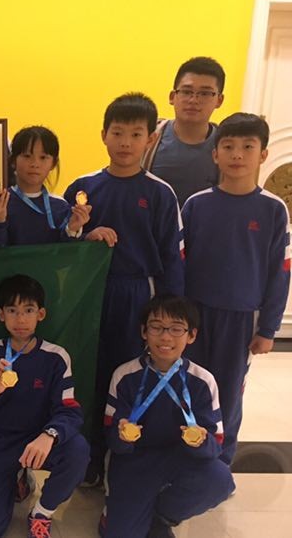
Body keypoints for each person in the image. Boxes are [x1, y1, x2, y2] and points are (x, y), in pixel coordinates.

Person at [63, 93, 184, 485]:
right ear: (103, 135)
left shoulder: (161, 193)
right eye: (118, 132)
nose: (126, 142)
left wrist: (168, 318)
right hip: (90, 295)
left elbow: (172, 257)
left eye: (135, 134)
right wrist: (82, 234)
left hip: (138, 297)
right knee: (88, 375)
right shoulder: (83, 187)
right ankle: (88, 458)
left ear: (151, 139)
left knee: (131, 378)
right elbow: (59, 246)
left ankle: (126, 460)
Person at [181, 113, 290, 465]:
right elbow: (180, 263)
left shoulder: (273, 209)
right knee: (189, 385)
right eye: (228, 146)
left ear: (263, 154)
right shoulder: (196, 204)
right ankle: (185, 455)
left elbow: (280, 272)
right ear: (215, 154)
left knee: (227, 394)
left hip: (241, 318)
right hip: (195, 316)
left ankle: (219, 462)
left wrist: (268, 329)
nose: (237, 154)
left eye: (247, 146)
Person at [0, 274, 88, 538]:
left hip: (38, 438)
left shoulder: (56, 357)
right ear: (1, 315)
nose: (20, 319)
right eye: (12, 310)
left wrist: (49, 435)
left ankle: (41, 512)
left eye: (28, 310)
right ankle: (16, 477)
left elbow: (70, 411)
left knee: (77, 450)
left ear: (41, 314)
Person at [101, 294, 234, 538]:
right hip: (134, 462)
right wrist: (122, 437)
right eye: (156, 327)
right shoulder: (124, 375)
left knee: (219, 479)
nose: (165, 337)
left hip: (179, 458)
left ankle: (161, 517)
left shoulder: (203, 381)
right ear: (144, 331)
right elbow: (111, 437)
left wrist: (201, 441)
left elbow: (216, 444)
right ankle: (119, 511)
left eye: (176, 329)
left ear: (191, 335)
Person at [0, 126, 90, 245]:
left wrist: (72, 229)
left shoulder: (61, 207)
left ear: (53, 163)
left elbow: (64, 252)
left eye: (43, 157)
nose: (35, 164)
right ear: (13, 161)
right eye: (27, 156)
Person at [141, 57, 225, 206]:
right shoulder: (146, 135)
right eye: (186, 91)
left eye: (205, 93)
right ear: (172, 97)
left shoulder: (226, 145)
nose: (193, 100)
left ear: (219, 100)